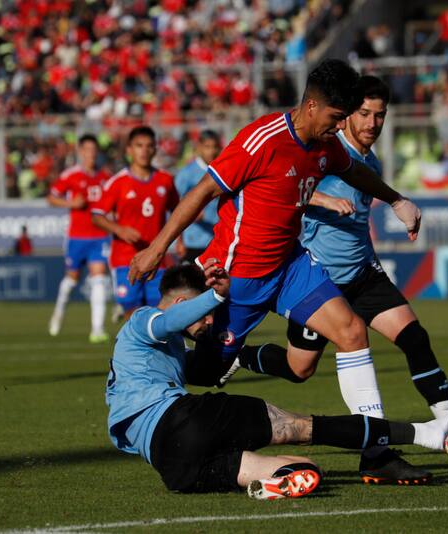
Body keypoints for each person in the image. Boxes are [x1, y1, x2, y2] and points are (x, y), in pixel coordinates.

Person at [127, 59, 429, 483]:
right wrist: (156, 248)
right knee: (205, 371)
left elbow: (354, 171)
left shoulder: (326, 143)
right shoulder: (261, 140)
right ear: (310, 107)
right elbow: (204, 190)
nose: (340, 127)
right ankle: (148, 401)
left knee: (351, 332)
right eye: (336, 118)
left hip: (290, 267)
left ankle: (375, 453)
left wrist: (397, 200)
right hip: (234, 279)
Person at [233, 76, 448, 460]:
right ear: (346, 115)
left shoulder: (369, 161)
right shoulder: (326, 152)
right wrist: (322, 199)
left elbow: (359, 223)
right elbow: (287, 186)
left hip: (363, 274)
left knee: (415, 337)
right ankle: (241, 356)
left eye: (380, 115)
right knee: (298, 368)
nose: (372, 123)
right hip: (320, 279)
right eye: (364, 113)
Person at [106, 262, 448, 498]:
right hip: (181, 419)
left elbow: (202, 364)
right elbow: (168, 322)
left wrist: (237, 354)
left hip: (173, 465)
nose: (207, 323)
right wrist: (217, 295)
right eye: (204, 314)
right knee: (304, 427)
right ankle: (423, 434)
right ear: (184, 301)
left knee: (305, 469)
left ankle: (271, 484)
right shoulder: (144, 320)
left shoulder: (158, 357)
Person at [92, 126, 179, 320]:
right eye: (139, 146)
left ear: (155, 149)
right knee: (133, 314)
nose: (144, 150)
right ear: (129, 150)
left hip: (157, 258)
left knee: (159, 313)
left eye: (149, 146)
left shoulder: (165, 180)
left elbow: (178, 211)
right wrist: (119, 229)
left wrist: (180, 241)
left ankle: (159, 351)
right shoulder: (118, 182)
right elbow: (96, 215)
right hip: (126, 257)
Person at [46, 134, 111, 342]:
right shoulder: (71, 175)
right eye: (87, 150)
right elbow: (51, 197)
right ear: (80, 152)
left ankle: (97, 329)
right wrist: (71, 204)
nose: (91, 153)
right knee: (71, 280)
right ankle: (58, 314)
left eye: (94, 150)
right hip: (77, 237)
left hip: (99, 235)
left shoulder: (104, 177)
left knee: (99, 279)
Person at [173, 130, 221, 264]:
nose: (212, 151)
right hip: (191, 241)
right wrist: (179, 241)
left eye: (215, 147)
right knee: (190, 283)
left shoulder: (221, 171)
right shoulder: (187, 173)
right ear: (199, 147)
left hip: (215, 240)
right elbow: (175, 207)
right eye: (207, 147)